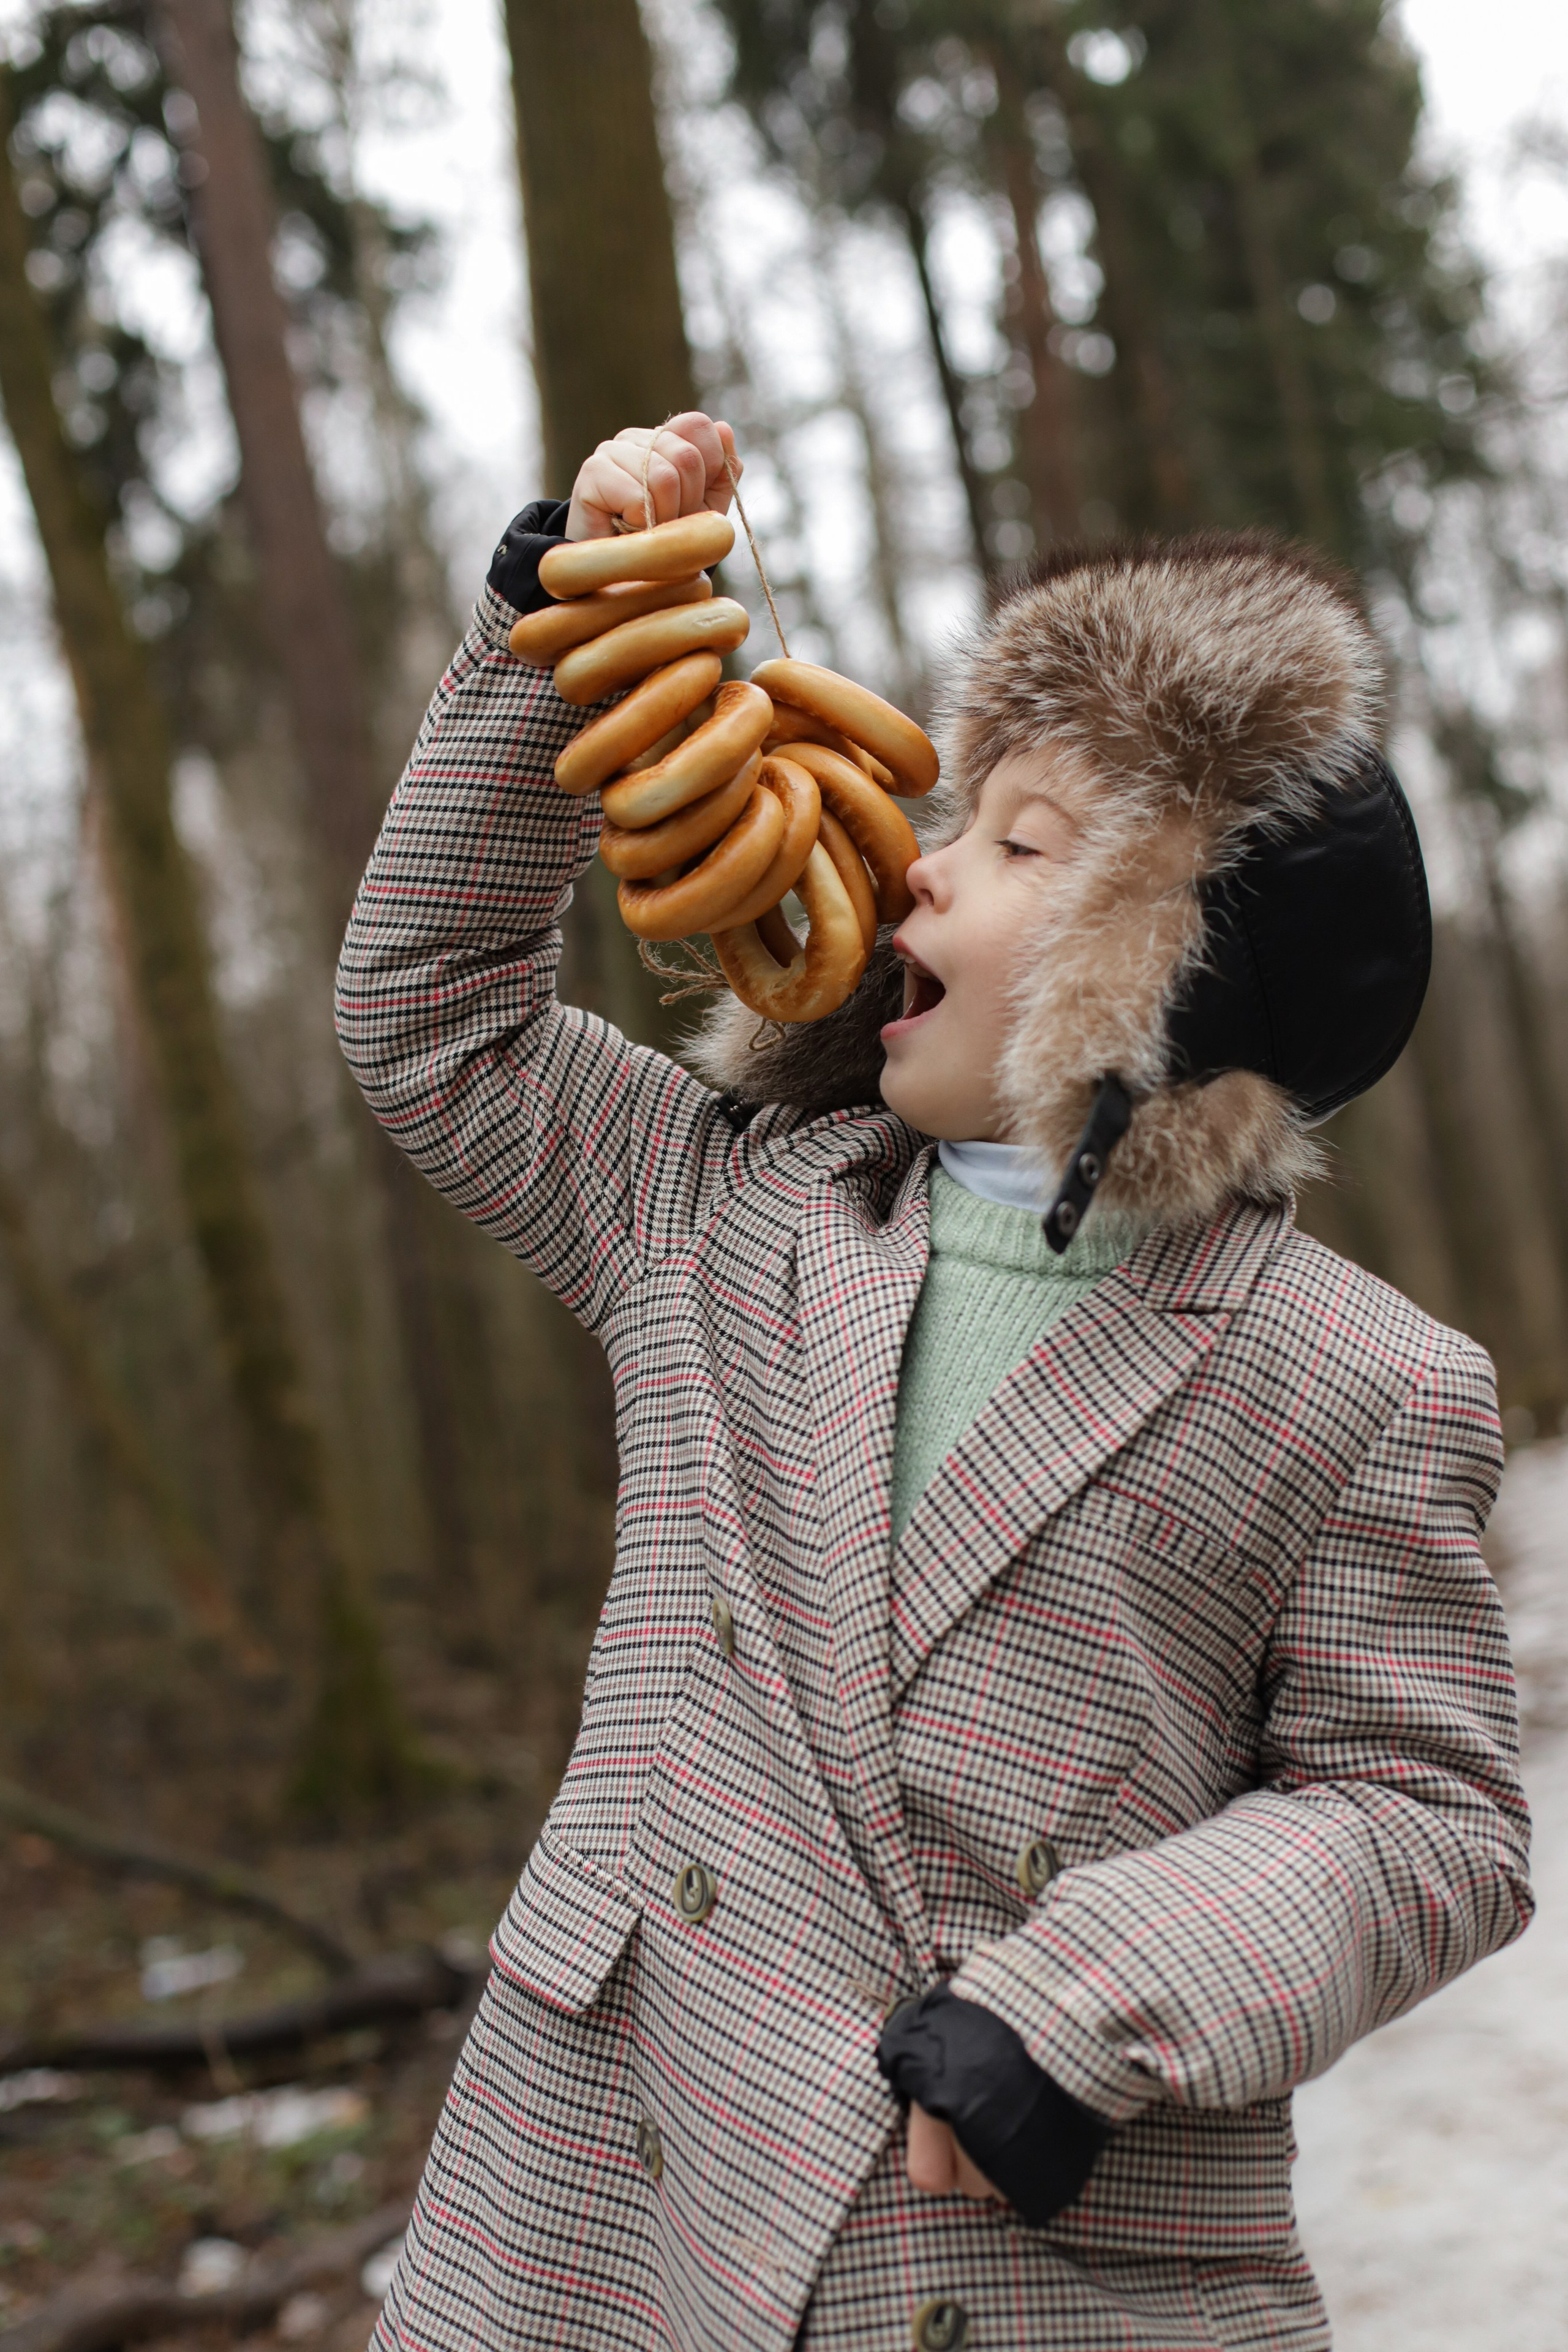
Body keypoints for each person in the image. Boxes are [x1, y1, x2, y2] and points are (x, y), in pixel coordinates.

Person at [336, 413, 1531, 2352]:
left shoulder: (1360, 1380)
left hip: (1013, 2239)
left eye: (1014, 842)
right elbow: (429, 1022)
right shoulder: (712, 1202)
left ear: (1168, 972)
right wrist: (564, 617)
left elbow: (1423, 1814)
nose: (909, 862)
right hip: (616, 2169)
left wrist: (1088, 1999)